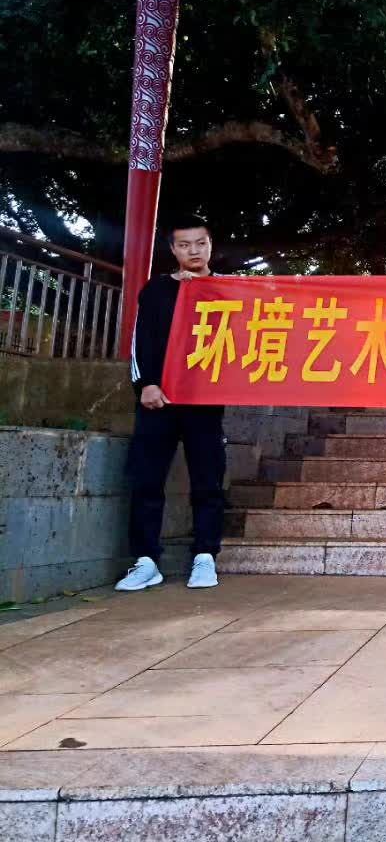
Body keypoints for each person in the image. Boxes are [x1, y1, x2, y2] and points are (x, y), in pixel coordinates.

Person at [114, 214, 227, 592]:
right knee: (147, 480)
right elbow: (140, 340)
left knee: (208, 481)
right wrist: (145, 384)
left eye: (200, 243)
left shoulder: (228, 290)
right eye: (184, 244)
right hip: (157, 401)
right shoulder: (157, 289)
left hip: (205, 402)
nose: (194, 251)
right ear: (173, 250)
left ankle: (205, 557)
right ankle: (145, 560)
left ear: (210, 245)